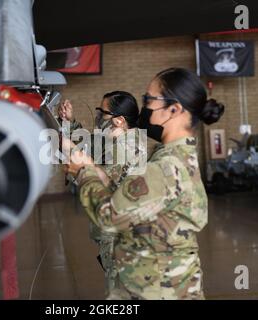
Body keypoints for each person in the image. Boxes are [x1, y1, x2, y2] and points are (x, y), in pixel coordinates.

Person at [63, 68, 225, 300]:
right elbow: (132, 198)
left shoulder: (166, 168)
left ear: (173, 110)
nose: (144, 108)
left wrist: (84, 173)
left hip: (157, 289)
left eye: (149, 99)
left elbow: (110, 216)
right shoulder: (172, 158)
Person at [58, 91, 148, 296]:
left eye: (102, 113)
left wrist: (77, 163)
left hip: (121, 237)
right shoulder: (118, 141)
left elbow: (99, 185)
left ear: (119, 120)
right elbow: (92, 145)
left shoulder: (126, 149)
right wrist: (70, 123)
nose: (98, 117)